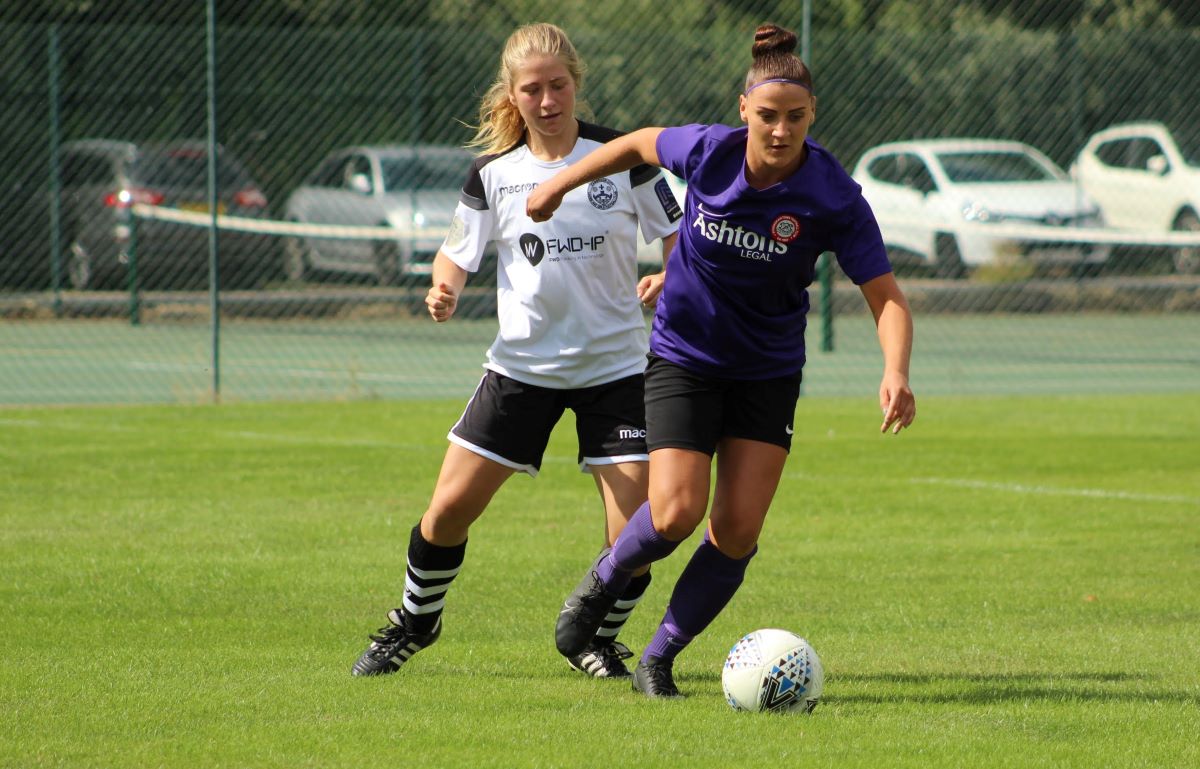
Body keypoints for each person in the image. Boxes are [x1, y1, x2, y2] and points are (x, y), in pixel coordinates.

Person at [528, 22, 916, 698]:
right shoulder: (709, 151)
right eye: (767, 115)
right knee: (675, 512)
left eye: (795, 117)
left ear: (811, 116)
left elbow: (886, 297)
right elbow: (636, 143)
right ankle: (599, 585)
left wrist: (896, 370)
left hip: (766, 370)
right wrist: (560, 183)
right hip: (686, 355)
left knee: (735, 531)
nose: (779, 129)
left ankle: (658, 658)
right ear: (744, 111)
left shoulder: (834, 196)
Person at [351, 22, 682, 679]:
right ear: (513, 94)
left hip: (614, 369)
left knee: (636, 541)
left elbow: (679, 237)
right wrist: (443, 288)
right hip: (520, 370)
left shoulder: (623, 156)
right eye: (533, 88)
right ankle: (416, 622)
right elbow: (455, 252)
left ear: (575, 83)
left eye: (558, 85)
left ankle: (593, 635)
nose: (548, 98)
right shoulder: (493, 175)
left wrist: (671, 273)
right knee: (445, 513)